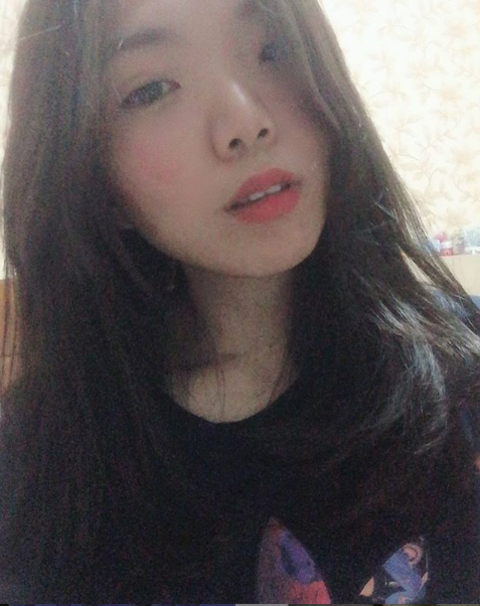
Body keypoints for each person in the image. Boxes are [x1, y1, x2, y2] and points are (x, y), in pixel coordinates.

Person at [0, 0, 479, 603]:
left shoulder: (464, 368)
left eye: (273, 49)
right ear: (92, 176)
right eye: (151, 89)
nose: (245, 123)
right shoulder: (36, 468)